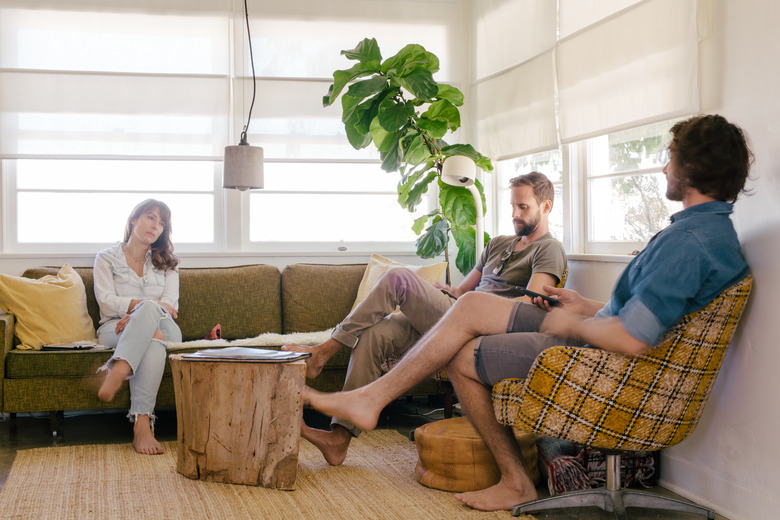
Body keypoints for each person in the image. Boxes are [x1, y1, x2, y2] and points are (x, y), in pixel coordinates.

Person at [302, 114, 752, 510]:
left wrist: (573, 321)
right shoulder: (704, 235)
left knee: (462, 352)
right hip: (591, 328)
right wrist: (585, 305)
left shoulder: (688, 245)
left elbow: (635, 338)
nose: (663, 166)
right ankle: (364, 406)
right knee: (468, 306)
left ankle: (514, 481)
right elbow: (645, 313)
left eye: (671, 156)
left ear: (692, 166)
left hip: (602, 357)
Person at [283, 172, 567, 465]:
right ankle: (339, 438)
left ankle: (325, 351)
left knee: (398, 278)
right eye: (512, 206)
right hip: (455, 316)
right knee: (374, 335)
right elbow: (463, 290)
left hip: (485, 330)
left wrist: (465, 303)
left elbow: (529, 305)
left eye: (523, 207)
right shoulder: (497, 244)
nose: (515, 215)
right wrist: (445, 291)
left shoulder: (548, 248)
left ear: (545, 207)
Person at [93, 199, 181, 455]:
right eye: (151, 217)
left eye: (162, 223)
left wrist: (142, 311)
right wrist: (142, 308)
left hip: (166, 327)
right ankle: (143, 425)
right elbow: (107, 304)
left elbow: (170, 307)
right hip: (114, 329)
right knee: (152, 338)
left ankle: (120, 367)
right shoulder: (106, 259)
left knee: (154, 320)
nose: (156, 226)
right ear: (134, 219)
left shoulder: (168, 263)